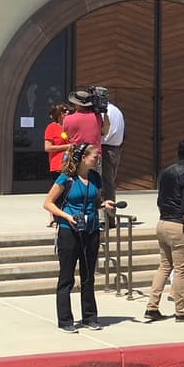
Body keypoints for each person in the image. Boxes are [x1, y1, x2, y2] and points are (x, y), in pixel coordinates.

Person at [43, 142, 114, 332]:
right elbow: (48, 203)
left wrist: (103, 204)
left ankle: (89, 317)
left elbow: (95, 200)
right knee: (67, 276)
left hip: (90, 229)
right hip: (69, 230)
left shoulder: (95, 178)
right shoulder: (66, 179)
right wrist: (66, 216)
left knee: (88, 275)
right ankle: (65, 320)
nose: (97, 158)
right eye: (94, 156)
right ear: (83, 158)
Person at [145, 139, 184, 322]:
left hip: (163, 222)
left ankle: (152, 307)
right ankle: (181, 310)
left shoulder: (166, 172)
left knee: (164, 266)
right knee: (181, 270)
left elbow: (160, 199)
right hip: (179, 226)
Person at [100, 95, 125, 209]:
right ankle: (109, 215)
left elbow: (101, 130)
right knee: (110, 181)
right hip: (116, 147)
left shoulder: (102, 112)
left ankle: (107, 217)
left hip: (105, 147)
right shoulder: (116, 110)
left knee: (104, 182)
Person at [43, 103, 72, 174]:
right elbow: (47, 148)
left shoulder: (71, 126)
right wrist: (67, 146)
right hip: (58, 165)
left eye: (68, 110)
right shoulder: (51, 127)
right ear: (58, 114)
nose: (68, 112)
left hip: (71, 165)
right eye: (64, 111)